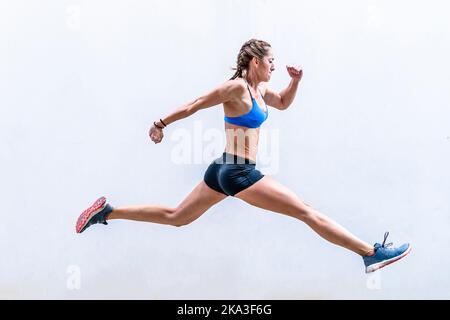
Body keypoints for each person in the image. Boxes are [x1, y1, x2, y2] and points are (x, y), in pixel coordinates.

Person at [75, 39, 411, 273]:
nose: (274, 67)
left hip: (223, 168)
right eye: (271, 62)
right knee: (307, 212)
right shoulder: (236, 88)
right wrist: (160, 123)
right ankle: (370, 254)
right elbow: (194, 104)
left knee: (177, 216)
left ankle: (107, 212)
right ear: (255, 61)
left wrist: (295, 83)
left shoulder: (261, 90)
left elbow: (281, 103)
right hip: (237, 172)